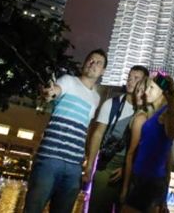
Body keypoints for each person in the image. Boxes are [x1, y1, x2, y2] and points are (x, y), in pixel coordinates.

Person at [23, 49, 107, 213]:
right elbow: (54, 91)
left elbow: (86, 129)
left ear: (103, 71)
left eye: (98, 62)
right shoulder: (68, 81)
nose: (93, 64)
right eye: (91, 60)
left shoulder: (96, 98)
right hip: (49, 159)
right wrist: (50, 93)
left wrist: (88, 165)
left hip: (74, 167)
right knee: (33, 208)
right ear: (84, 63)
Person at [86, 65, 149, 212]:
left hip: (133, 168)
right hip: (107, 164)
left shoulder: (147, 111)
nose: (130, 81)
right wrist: (89, 165)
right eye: (129, 77)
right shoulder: (111, 104)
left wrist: (128, 168)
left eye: (136, 79)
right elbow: (98, 134)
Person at [121, 73, 174, 213]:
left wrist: (171, 105)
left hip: (150, 181)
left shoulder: (166, 113)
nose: (146, 92)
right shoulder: (154, 113)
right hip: (143, 178)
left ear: (162, 92)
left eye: (151, 88)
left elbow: (171, 134)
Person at [119, 76, 151, 206]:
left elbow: (131, 154)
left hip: (137, 180)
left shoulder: (140, 118)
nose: (138, 95)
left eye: (142, 91)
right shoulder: (154, 117)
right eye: (137, 91)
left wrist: (125, 188)